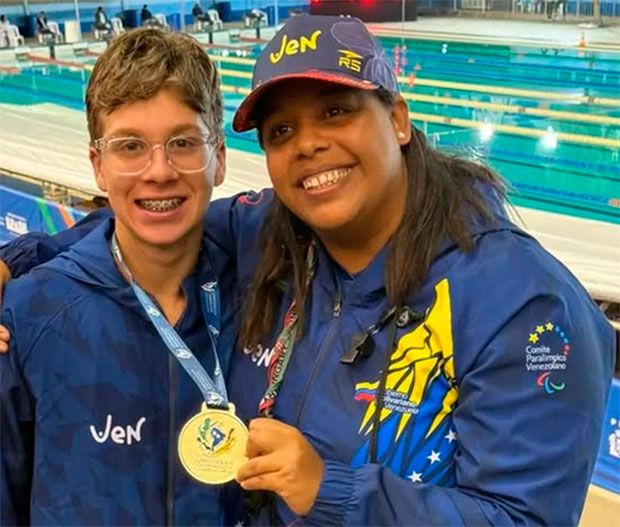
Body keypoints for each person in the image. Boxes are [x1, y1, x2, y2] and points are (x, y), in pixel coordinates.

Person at [0, 14, 615, 526]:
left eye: (336, 111)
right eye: (282, 130)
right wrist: (12, 266)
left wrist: (330, 490)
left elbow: (523, 518)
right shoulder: (275, 231)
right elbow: (143, 227)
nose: (309, 144)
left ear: (398, 119)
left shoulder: (520, 300)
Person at [0, 28, 229, 525]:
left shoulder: (265, 291)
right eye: (130, 146)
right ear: (98, 166)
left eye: (183, 142)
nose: (159, 171)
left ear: (221, 158)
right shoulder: (29, 315)